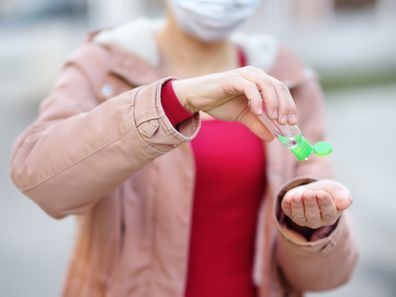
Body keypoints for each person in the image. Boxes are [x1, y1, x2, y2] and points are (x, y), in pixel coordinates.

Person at [10, 0, 358, 296]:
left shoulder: (289, 78)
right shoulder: (103, 65)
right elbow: (40, 179)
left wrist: (315, 229)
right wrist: (175, 101)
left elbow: (328, 277)